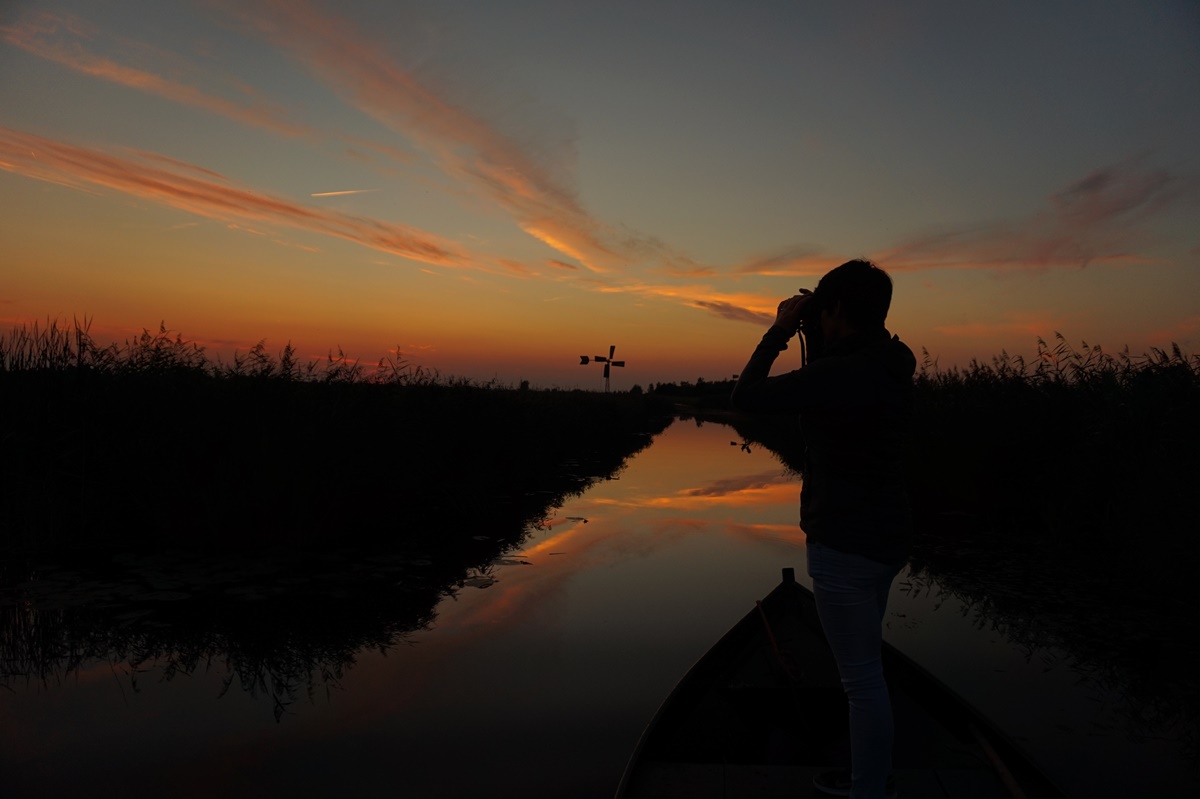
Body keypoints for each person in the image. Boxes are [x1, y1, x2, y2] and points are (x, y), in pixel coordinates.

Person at [731, 259, 915, 799]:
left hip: (845, 542)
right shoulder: (888, 364)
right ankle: (871, 777)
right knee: (867, 672)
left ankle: (868, 790)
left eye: (820, 313)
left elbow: (747, 398)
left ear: (834, 310)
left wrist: (780, 330)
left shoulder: (842, 373)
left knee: (861, 682)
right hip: (885, 538)